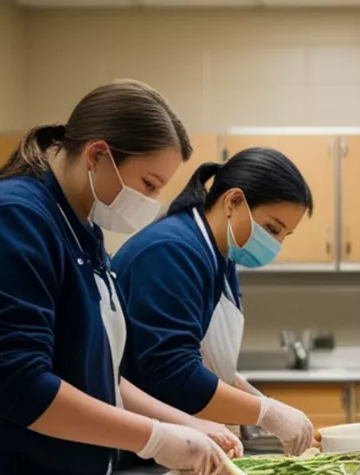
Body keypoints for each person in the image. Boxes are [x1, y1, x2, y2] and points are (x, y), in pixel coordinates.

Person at [0, 80, 242, 475]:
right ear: (97, 155)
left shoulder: (80, 228)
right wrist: (153, 438)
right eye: (149, 184)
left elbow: (98, 372)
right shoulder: (11, 221)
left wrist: (181, 423)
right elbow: (19, 386)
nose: (151, 203)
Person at [113, 148, 316, 455]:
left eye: (285, 234)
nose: (276, 244)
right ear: (233, 201)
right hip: (142, 446)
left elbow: (204, 357)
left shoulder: (220, 257)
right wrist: (265, 412)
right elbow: (172, 373)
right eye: (272, 228)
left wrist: (258, 403)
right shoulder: (171, 252)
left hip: (179, 438)